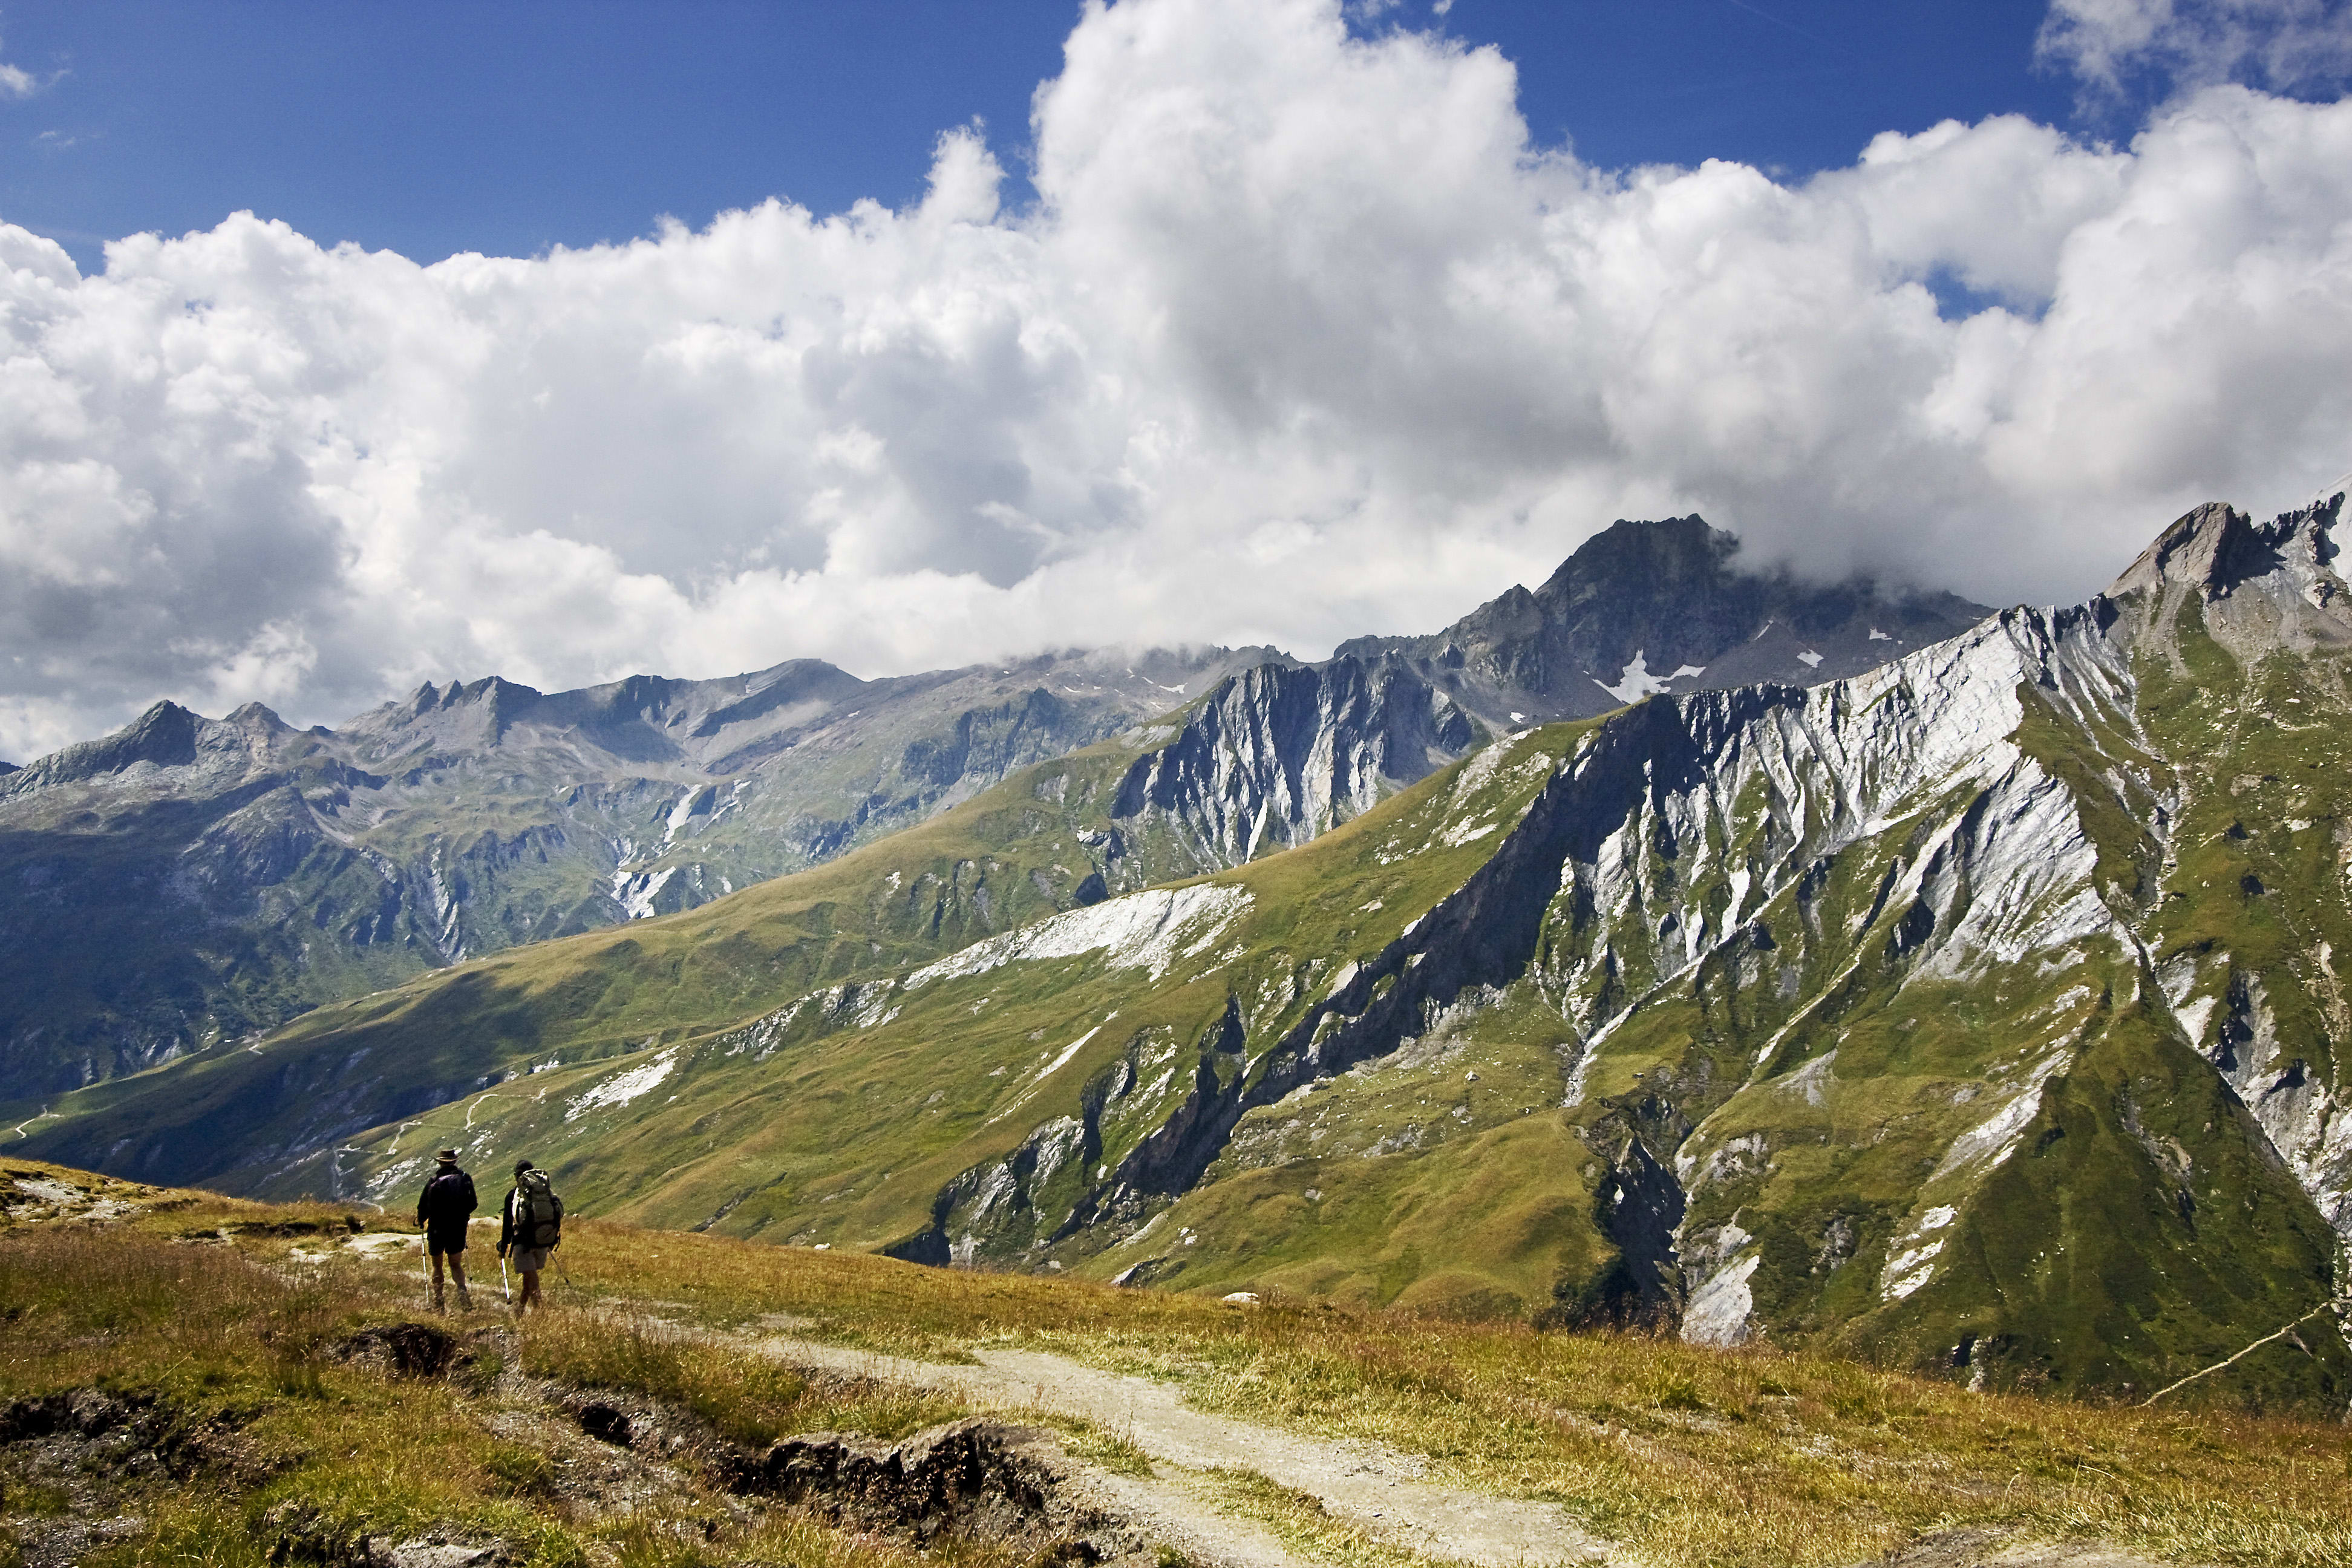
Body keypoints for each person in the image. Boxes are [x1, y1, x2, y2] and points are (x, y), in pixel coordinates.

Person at [497, 1157, 564, 1315]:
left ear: (517, 1176)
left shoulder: (514, 1196)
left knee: (532, 1280)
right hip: (542, 1241)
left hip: (523, 1244)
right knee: (529, 1279)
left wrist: (504, 1246)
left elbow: (508, 1224)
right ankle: (519, 1312)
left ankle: (540, 1313)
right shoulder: (544, 1192)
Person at [414, 1149, 477, 1312]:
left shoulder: (434, 1180)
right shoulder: (465, 1179)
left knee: (437, 1264)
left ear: (440, 1162)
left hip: (437, 1228)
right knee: (455, 1263)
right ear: (455, 1161)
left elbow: (423, 1206)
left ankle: (439, 1300)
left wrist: (421, 1220)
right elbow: (473, 1203)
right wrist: (463, 1216)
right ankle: (462, 1291)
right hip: (458, 1227)